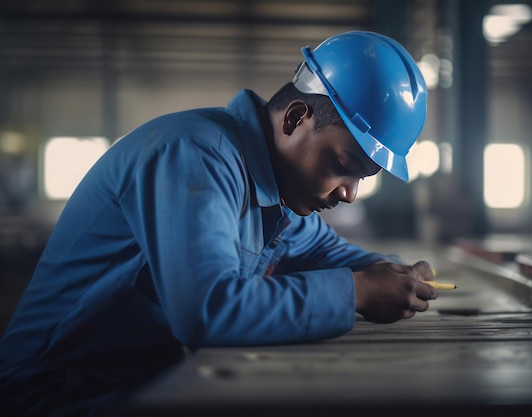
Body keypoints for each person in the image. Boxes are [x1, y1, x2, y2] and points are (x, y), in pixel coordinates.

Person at [0, 31, 433, 417]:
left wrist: (398, 276)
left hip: (128, 381)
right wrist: (358, 291)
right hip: (50, 391)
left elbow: (339, 258)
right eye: (344, 165)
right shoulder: (197, 156)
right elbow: (207, 310)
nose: (349, 193)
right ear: (296, 117)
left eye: (362, 179)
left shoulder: (278, 195)